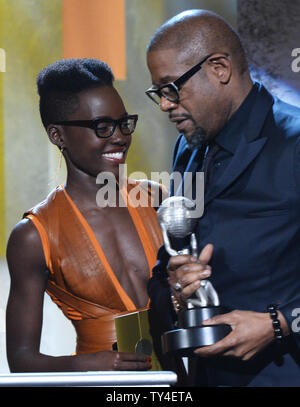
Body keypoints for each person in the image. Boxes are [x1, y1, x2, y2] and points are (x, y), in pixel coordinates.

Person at [146, 9, 300, 386]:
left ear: (219, 68)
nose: (165, 104)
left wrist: (279, 325)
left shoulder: (295, 143)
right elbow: (172, 261)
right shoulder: (187, 148)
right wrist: (176, 286)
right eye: (158, 93)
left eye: (171, 87)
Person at [6, 58, 167, 372]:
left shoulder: (155, 198)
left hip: (178, 380)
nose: (119, 136)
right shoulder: (33, 235)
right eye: (102, 127)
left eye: (124, 123)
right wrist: (91, 364)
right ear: (58, 135)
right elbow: (22, 360)